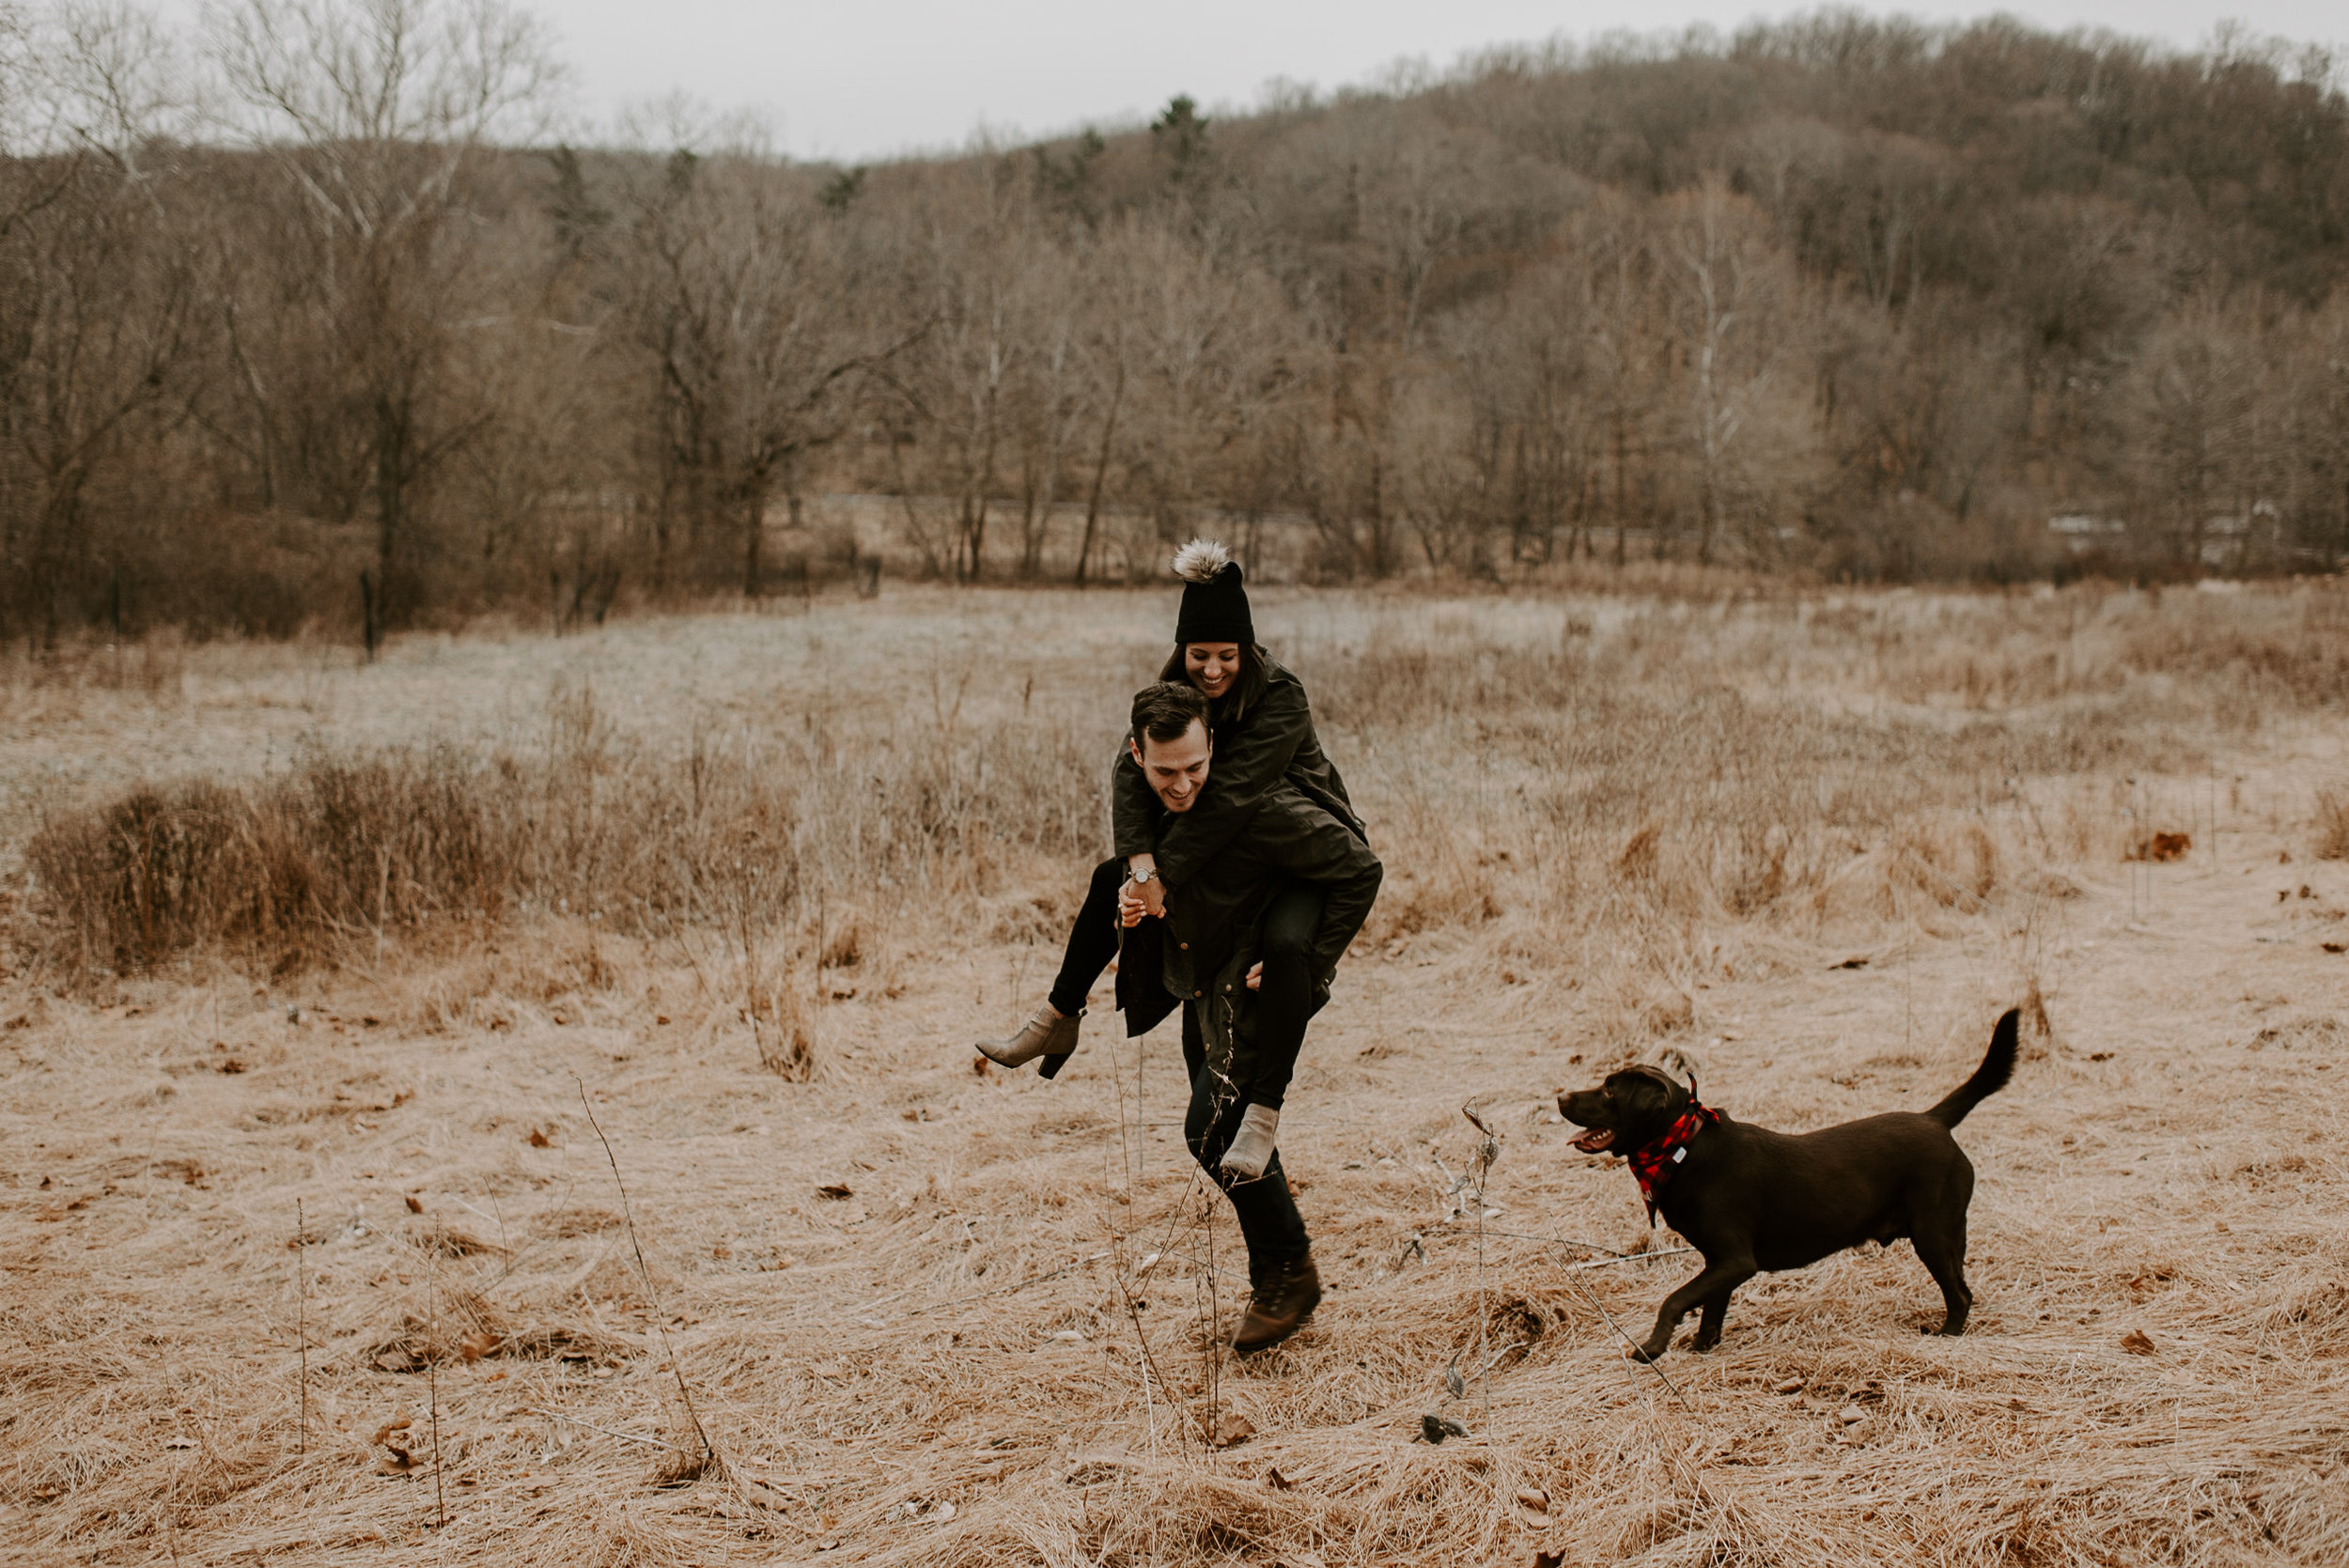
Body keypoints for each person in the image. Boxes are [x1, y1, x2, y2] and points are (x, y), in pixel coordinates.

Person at [976, 536, 1359, 1110]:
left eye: (1226, 655)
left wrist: (1160, 878)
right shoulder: (1177, 688)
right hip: (1240, 834)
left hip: (1302, 839)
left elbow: (1230, 796)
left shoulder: (1280, 697)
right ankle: (1059, 1015)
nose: (1211, 669)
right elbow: (1131, 765)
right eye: (1198, 653)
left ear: (1247, 649)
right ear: (1182, 647)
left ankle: (1277, 1055)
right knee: (1113, 879)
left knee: (1274, 945)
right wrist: (1139, 865)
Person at [1113, 680, 1380, 1350]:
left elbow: (1360, 870)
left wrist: (1310, 962)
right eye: (1164, 770)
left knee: (1208, 1126)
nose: (1180, 784)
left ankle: (1290, 1270)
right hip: (1200, 988)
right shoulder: (1146, 810)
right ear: (1137, 756)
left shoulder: (1259, 809)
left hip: (1251, 992)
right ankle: (1280, 1274)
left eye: (1195, 769)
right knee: (1226, 1132)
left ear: (1214, 749)